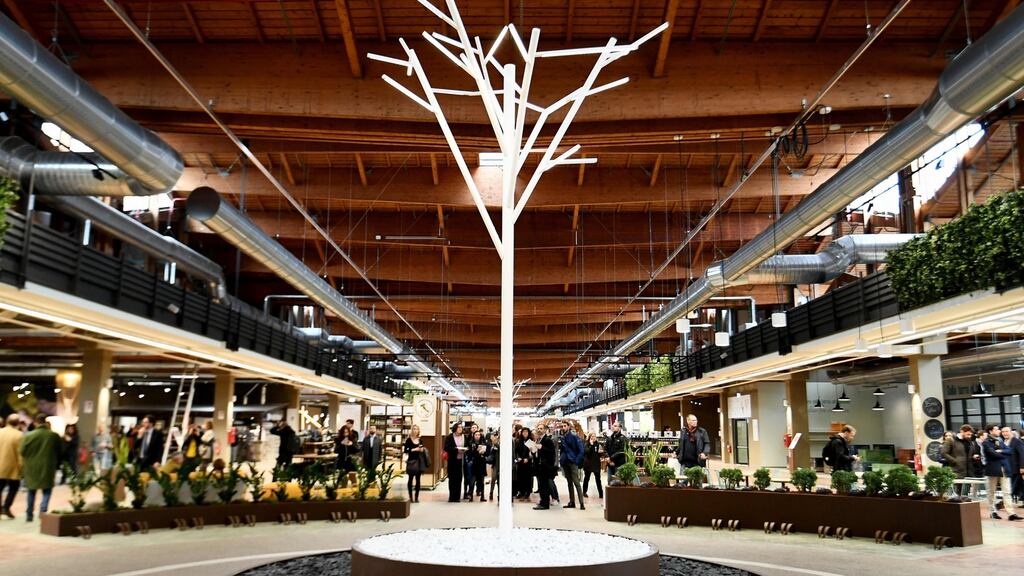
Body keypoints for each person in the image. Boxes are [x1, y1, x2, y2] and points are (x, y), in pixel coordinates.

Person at [19, 413, 62, 521]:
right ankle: (42, 512)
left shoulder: (28, 435)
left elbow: (22, 451)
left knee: (31, 491)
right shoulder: (53, 436)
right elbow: (60, 451)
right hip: (48, 467)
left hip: (31, 467)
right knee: (47, 491)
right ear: (46, 422)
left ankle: (29, 515)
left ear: (35, 422)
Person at [982, 424, 1021, 520]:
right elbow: (992, 454)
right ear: (991, 431)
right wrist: (1001, 452)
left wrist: (1000, 451)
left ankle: (1011, 513)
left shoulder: (999, 440)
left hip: (1005, 469)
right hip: (993, 470)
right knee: (991, 492)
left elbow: (1010, 451)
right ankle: (993, 512)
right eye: (997, 429)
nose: (999, 431)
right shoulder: (986, 442)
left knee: (1007, 492)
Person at [942, 425, 981, 497]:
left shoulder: (970, 442)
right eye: (968, 434)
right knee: (956, 492)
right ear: (962, 431)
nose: (969, 436)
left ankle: (964, 505)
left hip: (968, 471)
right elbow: (944, 453)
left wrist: (973, 457)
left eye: (970, 434)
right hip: (956, 470)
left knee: (965, 493)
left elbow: (970, 454)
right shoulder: (951, 440)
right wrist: (954, 461)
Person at [0, 414, 23, 518]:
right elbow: (20, 454)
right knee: (13, 488)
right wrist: (22, 468)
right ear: (18, 423)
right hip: (13, 467)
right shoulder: (19, 435)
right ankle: (6, 507)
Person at [559, 421, 585, 510]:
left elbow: (581, 450)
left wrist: (576, 461)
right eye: (562, 426)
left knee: (576, 482)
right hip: (565, 462)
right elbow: (562, 450)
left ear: (569, 427)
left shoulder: (574, 436)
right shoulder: (562, 437)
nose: (563, 428)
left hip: (572, 462)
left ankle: (582, 503)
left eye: (565, 426)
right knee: (569, 482)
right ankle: (572, 502)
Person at [533, 425, 556, 510]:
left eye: (541, 428)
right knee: (541, 485)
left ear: (545, 430)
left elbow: (552, 452)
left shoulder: (547, 440)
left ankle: (545, 504)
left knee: (545, 485)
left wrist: (542, 447)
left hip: (545, 466)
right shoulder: (539, 439)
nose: (539, 430)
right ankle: (543, 501)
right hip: (540, 466)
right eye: (538, 428)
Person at [444, 423, 466, 502]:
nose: (460, 429)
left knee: (459, 479)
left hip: (461, 461)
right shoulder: (450, 437)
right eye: (459, 427)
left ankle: (457, 497)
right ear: (455, 428)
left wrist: (464, 449)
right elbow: (446, 448)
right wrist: (457, 450)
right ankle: (451, 496)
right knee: (452, 479)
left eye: (461, 427)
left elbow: (467, 446)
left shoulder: (464, 437)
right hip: (452, 461)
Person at [404, 425, 426, 503]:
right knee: (410, 479)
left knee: (418, 480)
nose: (415, 430)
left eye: (417, 429)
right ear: (412, 430)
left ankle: (416, 497)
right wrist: (414, 449)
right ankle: (410, 497)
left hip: (419, 462)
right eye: (414, 429)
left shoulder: (420, 440)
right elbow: (406, 450)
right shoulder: (408, 440)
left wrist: (421, 449)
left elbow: (422, 448)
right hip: (411, 461)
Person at [1002, 427, 1024, 504]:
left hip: (1016, 468)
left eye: (1007, 431)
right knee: (1016, 485)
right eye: (1003, 432)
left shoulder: (1017, 441)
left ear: (1011, 432)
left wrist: (1022, 467)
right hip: (1006, 468)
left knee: (1011, 486)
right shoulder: (1003, 441)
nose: (1005, 433)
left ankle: (1004, 503)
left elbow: (1022, 454)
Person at [582, 431, 604, 499]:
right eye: (592, 436)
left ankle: (601, 493)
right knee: (586, 478)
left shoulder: (598, 444)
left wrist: (601, 453)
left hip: (596, 464)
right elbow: (586, 452)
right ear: (589, 437)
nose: (593, 438)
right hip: (588, 464)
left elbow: (600, 454)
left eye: (594, 436)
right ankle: (584, 492)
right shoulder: (587, 444)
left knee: (598, 479)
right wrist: (591, 445)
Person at [468, 430, 488, 501]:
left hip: (482, 463)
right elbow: (470, 454)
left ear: (480, 436)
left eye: (478, 435)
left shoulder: (483, 443)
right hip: (474, 463)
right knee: (473, 480)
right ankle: (471, 496)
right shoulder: (471, 443)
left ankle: (482, 496)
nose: (477, 436)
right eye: (476, 435)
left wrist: (483, 453)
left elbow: (486, 453)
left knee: (482, 480)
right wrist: (477, 452)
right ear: (474, 435)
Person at [514, 427, 533, 500]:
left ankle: (527, 493)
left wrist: (528, 458)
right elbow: (516, 451)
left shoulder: (531, 441)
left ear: (528, 433)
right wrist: (518, 458)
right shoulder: (518, 441)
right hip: (520, 462)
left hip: (528, 463)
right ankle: (521, 492)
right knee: (520, 477)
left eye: (526, 432)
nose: (525, 433)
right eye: (523, 432)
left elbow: (533, 453)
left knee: (527, 478)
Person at [488, 432, 500, 502]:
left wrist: (495, 444)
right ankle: (491, 492)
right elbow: (491, 453)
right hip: (495, 464)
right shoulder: (492, 443)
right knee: (493, 478)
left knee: (499, 480)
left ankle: (499, 494)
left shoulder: (498, 442)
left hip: (502, 463)